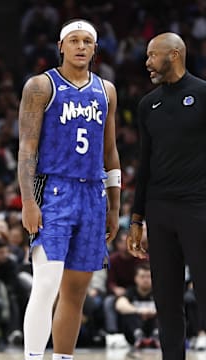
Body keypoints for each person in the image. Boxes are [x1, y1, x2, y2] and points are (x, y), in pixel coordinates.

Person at [17, 19, 121, 360]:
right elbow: (27, 149)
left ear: (95, 48)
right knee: (46, 283)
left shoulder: (106, 91)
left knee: (76, 292)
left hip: (93, 194)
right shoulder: (41, 86)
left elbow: (110, 151)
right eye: (74, 40)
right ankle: (33, 357)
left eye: (87, 41)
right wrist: (28, 201)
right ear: (61, 46)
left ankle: (64, 357)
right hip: (54, 191)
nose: (80, 46)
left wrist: (115, 205)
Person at [126, 32, 206, 360]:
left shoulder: (203, 94)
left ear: (173, 54)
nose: (146, 63)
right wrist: (136, 219)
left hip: (198, 206)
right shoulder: (148, 104)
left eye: (151, 55)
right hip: (159, 211)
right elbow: (144, 165)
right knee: (167, 299)